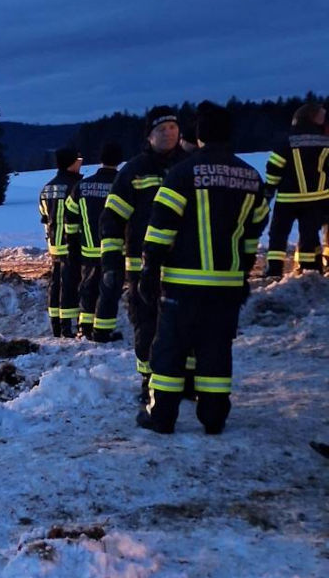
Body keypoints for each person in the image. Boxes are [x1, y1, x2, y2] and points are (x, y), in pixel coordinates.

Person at [137, 101, 269, 434]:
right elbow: (253, 234)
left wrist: (150, 270)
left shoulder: (182, 174)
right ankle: (213, 416)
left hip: (182, 284)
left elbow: (160, 228)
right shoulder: (251, 178)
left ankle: (161, 416)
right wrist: (243, 274)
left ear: (198, 136)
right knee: (216, 351)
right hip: (226, 285)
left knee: (168, 350)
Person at [98, 106, 186, 402]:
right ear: (149, 136)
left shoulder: (190, 166)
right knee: (146, 326)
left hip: (184, 267)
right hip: (142, 266)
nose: (168, 134)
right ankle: (148, 380)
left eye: (173, 128)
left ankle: (185, 380)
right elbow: (111, 218)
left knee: (185, 325)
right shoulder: (134, 171)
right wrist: (111, 264)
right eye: (161, 130)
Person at [263, 102, 328, 277]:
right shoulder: (325, 141)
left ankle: (275, 269)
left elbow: (275, 167)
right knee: (309, 235)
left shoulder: (286, 140)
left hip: (288, 198)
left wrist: (269, 188)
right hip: (317, 199)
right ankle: (311, 270)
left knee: (278, 233)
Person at [65, 142, 122, 339]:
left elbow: (70, 213)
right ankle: (103, 330)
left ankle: (85, 327)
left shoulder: (83, 185)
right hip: (114, 249)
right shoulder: (121, 183)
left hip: (88, 249)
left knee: (88, 288)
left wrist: (73, 244)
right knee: (109, 290)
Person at [40, 147, 83, 337]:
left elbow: (43, 215)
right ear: (71, 162)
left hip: (54, 243)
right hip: (73, 242)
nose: (81, 163)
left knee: (56, 282)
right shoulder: (77, 185)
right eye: (78, 159)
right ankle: (68, 327)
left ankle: (55, 325)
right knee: (71, 284)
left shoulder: (47, 188)